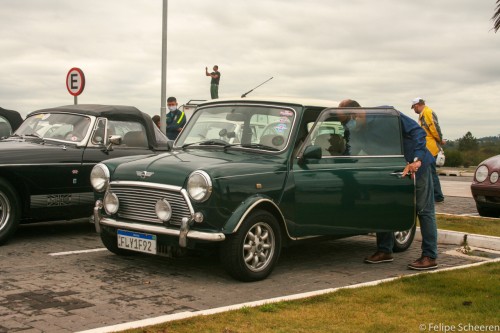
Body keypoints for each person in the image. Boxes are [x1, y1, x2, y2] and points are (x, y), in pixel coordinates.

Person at [337, 99, 438, 270]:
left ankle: (430, 256)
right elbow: (351, 151)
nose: (347, 126)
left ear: (356, 113)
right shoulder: (357, 131)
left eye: (347, 121)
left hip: (416, 167)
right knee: (384, 207)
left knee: (424, 210)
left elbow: (418, 132)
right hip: (391, 170)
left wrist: (417, 160)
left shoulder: (387, 115)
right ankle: (385, 251)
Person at [411, 98, 445, 202]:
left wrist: (440, 139)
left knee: (431, 173)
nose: (414, 110)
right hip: (428, 147)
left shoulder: (427, 113)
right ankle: (436, 195)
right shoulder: (424, 114)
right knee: (430, 172)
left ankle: (437, 196)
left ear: (417, 105)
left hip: (430, 147)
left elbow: (434, 128)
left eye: (414, 108)